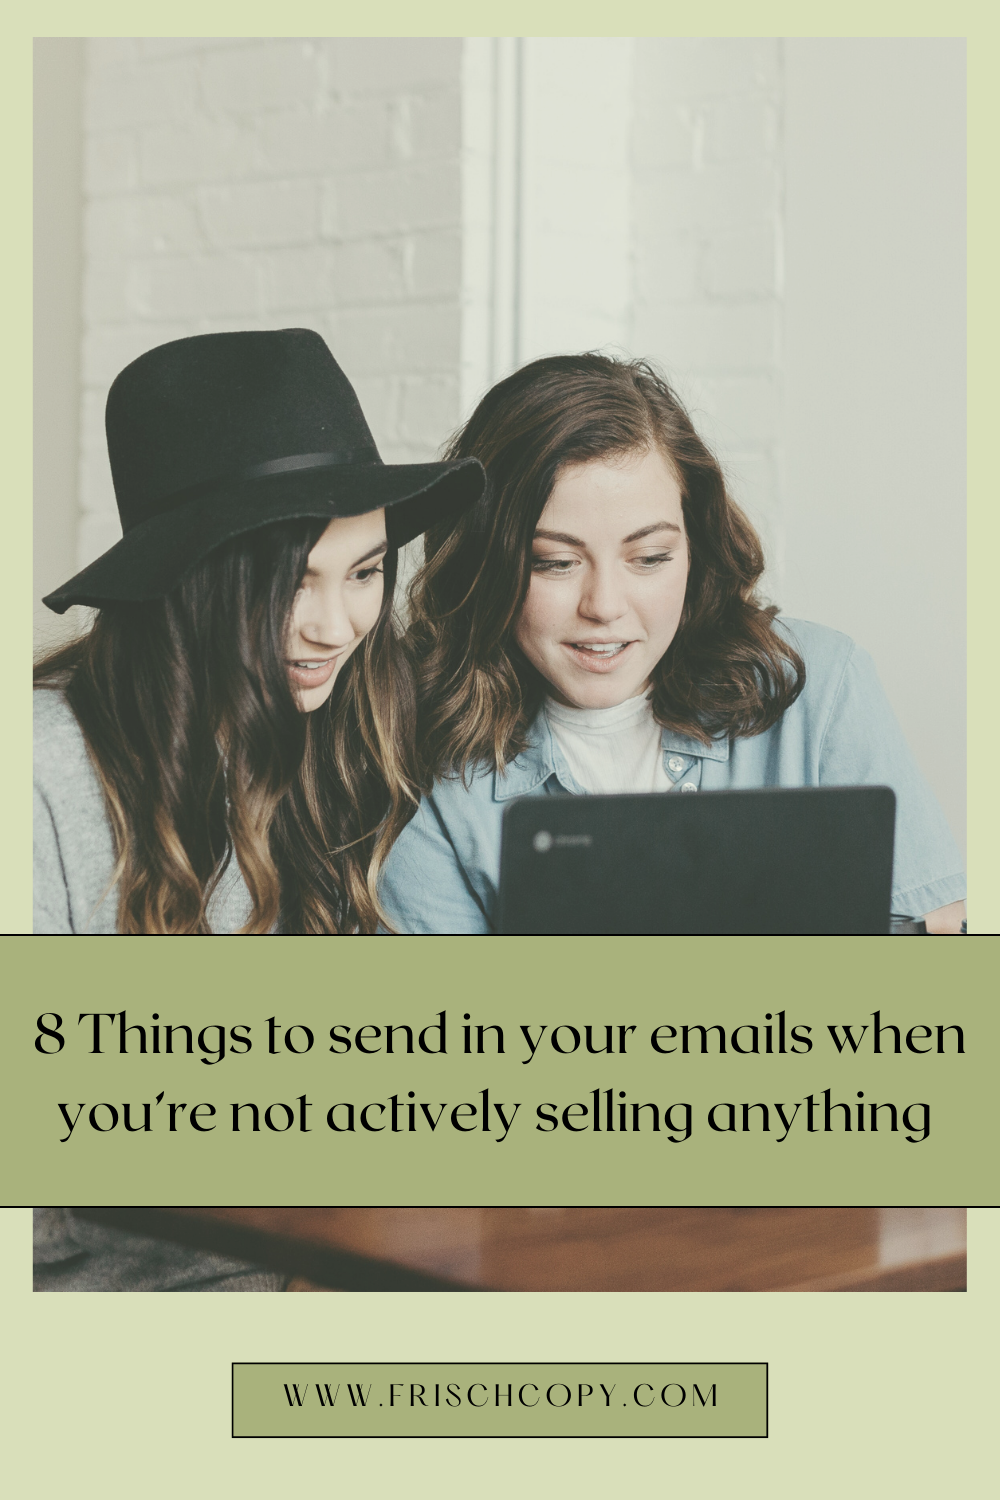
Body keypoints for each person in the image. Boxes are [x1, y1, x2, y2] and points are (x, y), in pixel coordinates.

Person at [378, 353, 966, 934]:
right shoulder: (419, 753)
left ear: (695, 549)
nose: (604, 606)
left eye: (650, 558)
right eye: (555, 562)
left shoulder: (822, 688)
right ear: (487, 564)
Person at [34, 328, 484, 934]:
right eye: (293, 584)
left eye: (365, 571)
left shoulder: (359, 730)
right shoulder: (43, 768)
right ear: (188, 583)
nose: (335, 629)